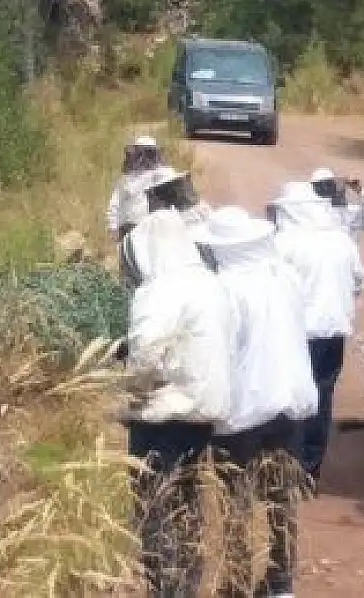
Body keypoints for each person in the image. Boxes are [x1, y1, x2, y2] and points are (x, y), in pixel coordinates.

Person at [196, 206, 316, 598]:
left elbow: (219, 353)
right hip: (290, 402)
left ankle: (235, 585)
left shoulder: (224, 289)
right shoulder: (285, 278)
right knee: (282, 498)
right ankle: (281, 582)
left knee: (237, 503)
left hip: (244, 411)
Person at [122, 207, 235, 598]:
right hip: (205, 413)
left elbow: (144, 356)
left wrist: (124, 391)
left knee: (154, 506)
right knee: (189, 502)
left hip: (163, 415)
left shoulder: (158, 291)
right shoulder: (212, 283)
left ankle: (165, 586)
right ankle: (188, 582)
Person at [269, 181, 364, 485]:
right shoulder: (342, 241)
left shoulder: (284, 243)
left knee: (291, 397)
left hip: (297, 333)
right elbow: (358, 281)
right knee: (322, 396)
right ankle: (310, 469)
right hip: (333, 332)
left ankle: (287, 464)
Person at [107, 135, 164, 243]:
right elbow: (115, 203)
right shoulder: (127, 179)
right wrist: (113, 227)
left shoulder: (164, 174)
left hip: (156, 228)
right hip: (131, 228)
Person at [310, 167, 364, 239]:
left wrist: (362, 190)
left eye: (329, 184)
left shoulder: (350, 213)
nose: (325, 188)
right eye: (320, 186)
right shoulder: (308, 214)